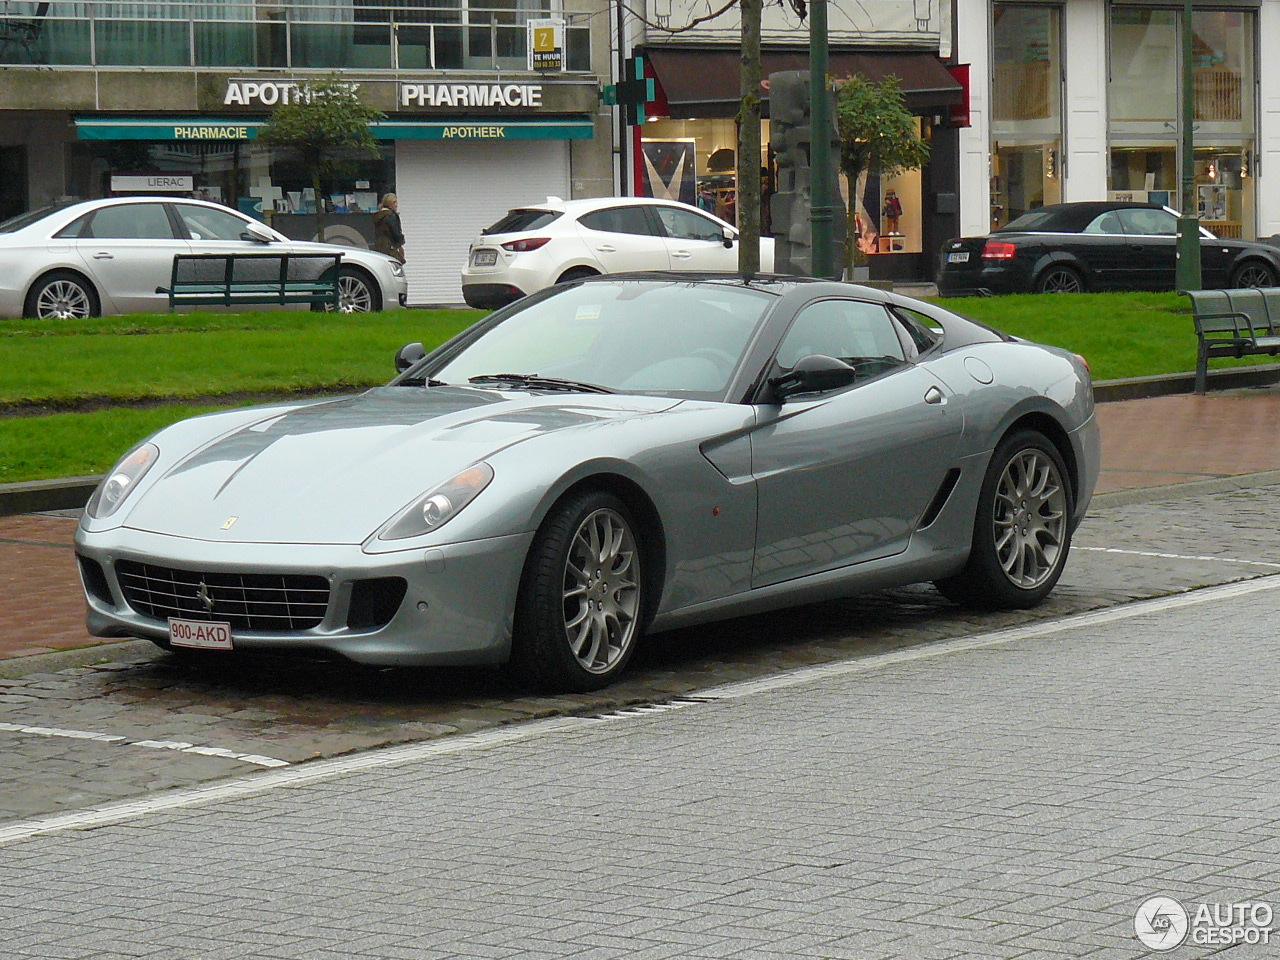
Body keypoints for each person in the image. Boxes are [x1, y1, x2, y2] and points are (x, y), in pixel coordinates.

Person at [373, 193, 406, 264]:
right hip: (391, 250)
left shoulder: (379, 216)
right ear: (391, 204)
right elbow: (396, 234)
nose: (397, 205)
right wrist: (402, 240)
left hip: (380, 249)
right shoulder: (391, 216)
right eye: (395, 202)